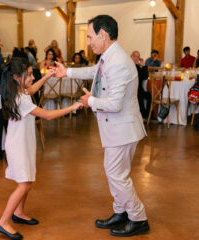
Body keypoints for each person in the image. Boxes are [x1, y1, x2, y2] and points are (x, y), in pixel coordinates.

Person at [54, 15, 149, 237]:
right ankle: (121, 212)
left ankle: (138, 217)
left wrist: (90, 102)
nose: (88, 42)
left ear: (103, 35)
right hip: (117, 128)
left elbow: (115, 104)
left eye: (89, 37)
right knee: (115, 173)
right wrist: (66, 72)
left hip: (122, 129)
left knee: (117, 175)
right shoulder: (110, 56)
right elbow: (93, 72)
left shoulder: (118, 63)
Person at [0, 57, 82, 240]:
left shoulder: (19, 91)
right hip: (18, 145)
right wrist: (73, 106)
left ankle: (19, 213)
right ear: (18, 77)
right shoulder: (20, 98)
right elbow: (48, 115)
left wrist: (47, 76)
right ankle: (3, 221)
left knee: (27, 180)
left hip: (22, 142)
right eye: (30, 75)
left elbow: (32, 89)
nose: (33, 77)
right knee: (24, 183)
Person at [131, 51, 151, 119]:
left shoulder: (137, 66)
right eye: (135, 56)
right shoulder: (129, 65)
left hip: (139, 89)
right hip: (131, 90)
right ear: (131, 56)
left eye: (138, 57)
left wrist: (144, 65)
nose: (136, 58)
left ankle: (148, 115)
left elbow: (145, 76)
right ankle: (143, 115)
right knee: (140, 97)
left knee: (149, 96)